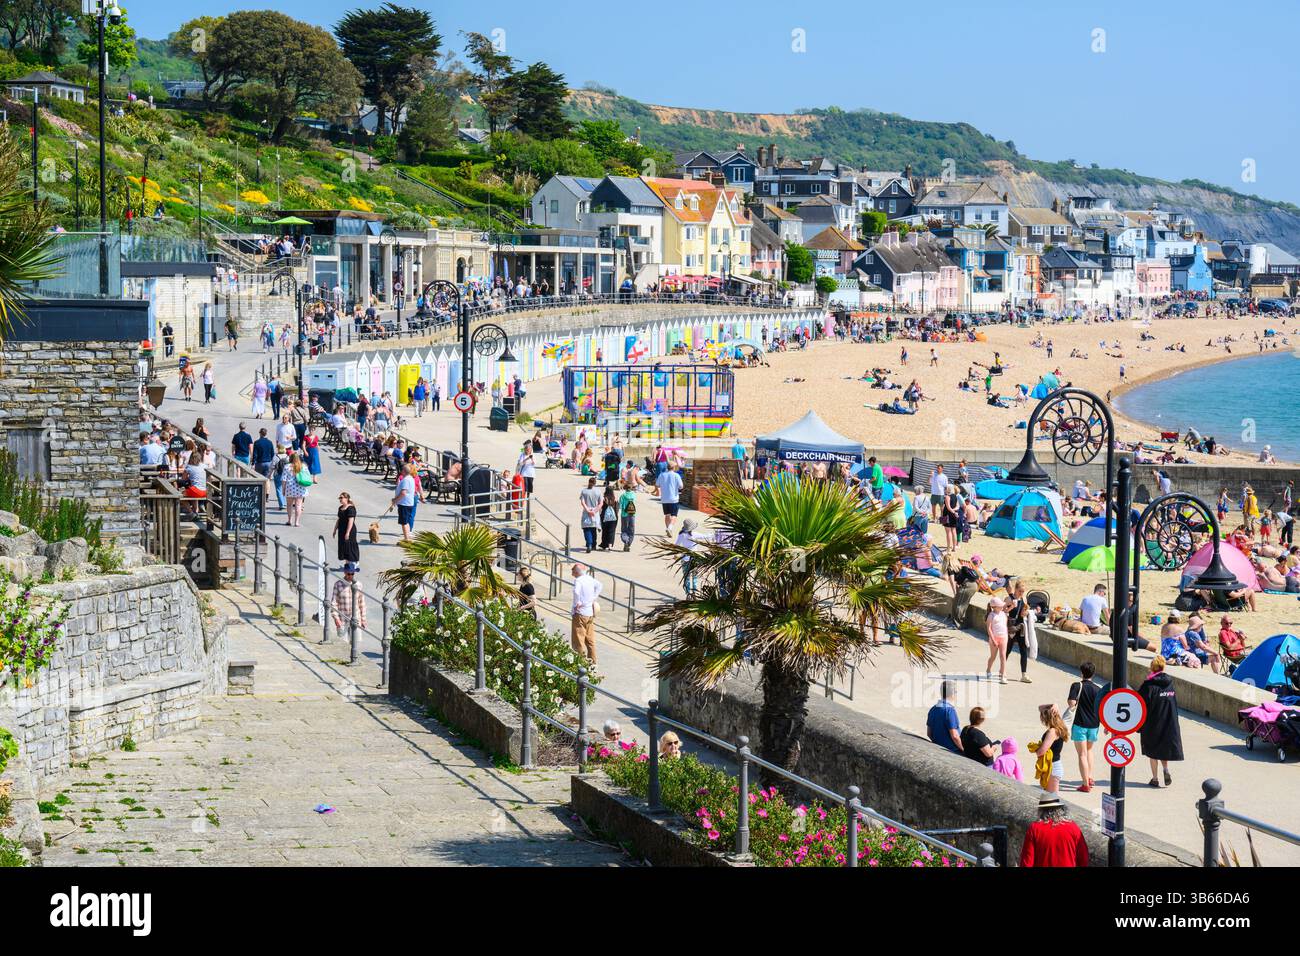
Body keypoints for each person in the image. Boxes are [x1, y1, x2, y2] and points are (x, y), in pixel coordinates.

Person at [1137, 656, 1184, 788]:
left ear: (1152, 668)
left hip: (1152, 722)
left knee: (1152, 751)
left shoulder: (1148, 685)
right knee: (1163, 748)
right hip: (1169, 722)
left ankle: (1155, 778)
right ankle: (1166, 769)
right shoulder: (1169, 683)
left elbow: (1139, 702)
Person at [1066, 662, 1108, 793]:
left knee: (1082, 755)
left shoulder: (1077, 685)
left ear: (1081, 673)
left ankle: (1085, 784)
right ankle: (1089, 777)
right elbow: (1103, 708)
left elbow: (1072, 703)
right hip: (1094, 725)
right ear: (1093, 674)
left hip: (1080, 724)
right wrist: (1107, 726)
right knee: (1089, 751)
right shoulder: (1099, 689)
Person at [1019, 793, 1089, 868]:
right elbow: (1083, 858)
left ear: (1041, 810)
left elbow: (1027, 860)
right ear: (1061, 809)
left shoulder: (1035, 828)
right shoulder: (1073, 827)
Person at [1028, 704, 1068, 793]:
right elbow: (1039, 707)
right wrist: (1054, 705)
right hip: (1054, 766)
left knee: (1051, 799)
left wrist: (1036, 748)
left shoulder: (1052, 732)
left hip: (1052, 768)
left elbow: (1041, 752)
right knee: (1049, 798)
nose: (1042, 719)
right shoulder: (1059, 728)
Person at [570, 563, 602, 664]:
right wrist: (594, 597)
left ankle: (580, 662)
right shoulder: (590, 578)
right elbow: (600, 585)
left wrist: (577, 603)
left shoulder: (578, 580)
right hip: (590, 613)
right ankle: (593, 661)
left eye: (573, 571)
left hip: (580, 613)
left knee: (578, 640)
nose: (572, 574)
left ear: (576, 572)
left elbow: (576, 592)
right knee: (590, 639)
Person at [925, 680, 962, 754]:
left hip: (938, 747)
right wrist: (963, 749)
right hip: (952, 750)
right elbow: (954, 736)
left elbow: (929, 733)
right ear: (952, 693)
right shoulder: (950, 710)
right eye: (956, 692)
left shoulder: (933, 709)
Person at [330, 563, 367, 633]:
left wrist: (363, 619)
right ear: (345, 572)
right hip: (342, 621)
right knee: (343, 643)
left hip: (356, 620)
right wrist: (336, 619)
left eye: (352, 574)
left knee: (356, 643)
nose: (350, 576)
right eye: (348, 574)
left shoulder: (358, 585)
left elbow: (362, 603)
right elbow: (334, 603)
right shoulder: (338, 584)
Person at [655, 460, 684, 535]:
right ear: (674, 467)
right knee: (674, 515)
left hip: (664, 498)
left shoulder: (662, 475)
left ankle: (668, 529)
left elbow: (657, 485)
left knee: (667, 515)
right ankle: (670, 528)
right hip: (674, 499)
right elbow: (681, 486)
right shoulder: (676, 475)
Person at [984, 596, 1009, 684]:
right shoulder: (991, 616)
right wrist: (993, 639)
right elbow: (989, 629)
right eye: (1000, 606)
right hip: (994, 638)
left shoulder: (1003, 614)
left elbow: (1005, 625)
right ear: (994, 607)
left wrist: (1006, 635)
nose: (1002, 607)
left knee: (1003, 656)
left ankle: (1003, 675)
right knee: (993, 657)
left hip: (1004, 637)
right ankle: (988, 670)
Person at [391, 463, 417, 542]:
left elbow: (403, 493)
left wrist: (395, 500)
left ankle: (406, 539)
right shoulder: (410, 478)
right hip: (408, 503)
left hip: (404, 503)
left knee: (404, 522)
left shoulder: (406, 480)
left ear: (404, 471)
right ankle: (408, 537)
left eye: (402, 470)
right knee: (407, 521)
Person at [282, 452, 310, 527]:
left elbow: (284, 479)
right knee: (298, 505)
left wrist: (283, 489)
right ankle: (297, 522)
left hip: (290, 488)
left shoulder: (287, 466)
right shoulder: (303, 466)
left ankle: (289, 520)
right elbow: (308, 476)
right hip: (300, 488)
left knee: (289, 505)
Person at [334, 492, 360, 564]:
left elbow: (351, 521)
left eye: (341, 497)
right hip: (341, 530)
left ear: (347, 498)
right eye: (339, 498)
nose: (340, 499)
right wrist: (335, 529)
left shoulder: (351, 508)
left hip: (349, 530)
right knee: (344, 547)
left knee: (350, 546)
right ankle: (347, 563)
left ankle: (355, 562)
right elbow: (339, 519)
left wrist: (348, 532)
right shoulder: (340, 508)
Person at [579, 477, 602, 552]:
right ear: (595, 483)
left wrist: (588, 510)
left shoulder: (584, 491)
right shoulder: (598, 491)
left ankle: (589, 544)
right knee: (593, 529)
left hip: (587, 512)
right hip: (595, 512)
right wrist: (594, 511)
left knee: (586, 529)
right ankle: (594, 545)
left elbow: (582, 502)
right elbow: (601, 503)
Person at [618, 480, 637, 552]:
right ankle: (628, 543)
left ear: (625, 488)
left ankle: (625, 541)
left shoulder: (622, 496)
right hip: (632, 514)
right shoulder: (633, 495)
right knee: (631, 530)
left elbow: (620, 506)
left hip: (624, 514)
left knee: (624, 530)